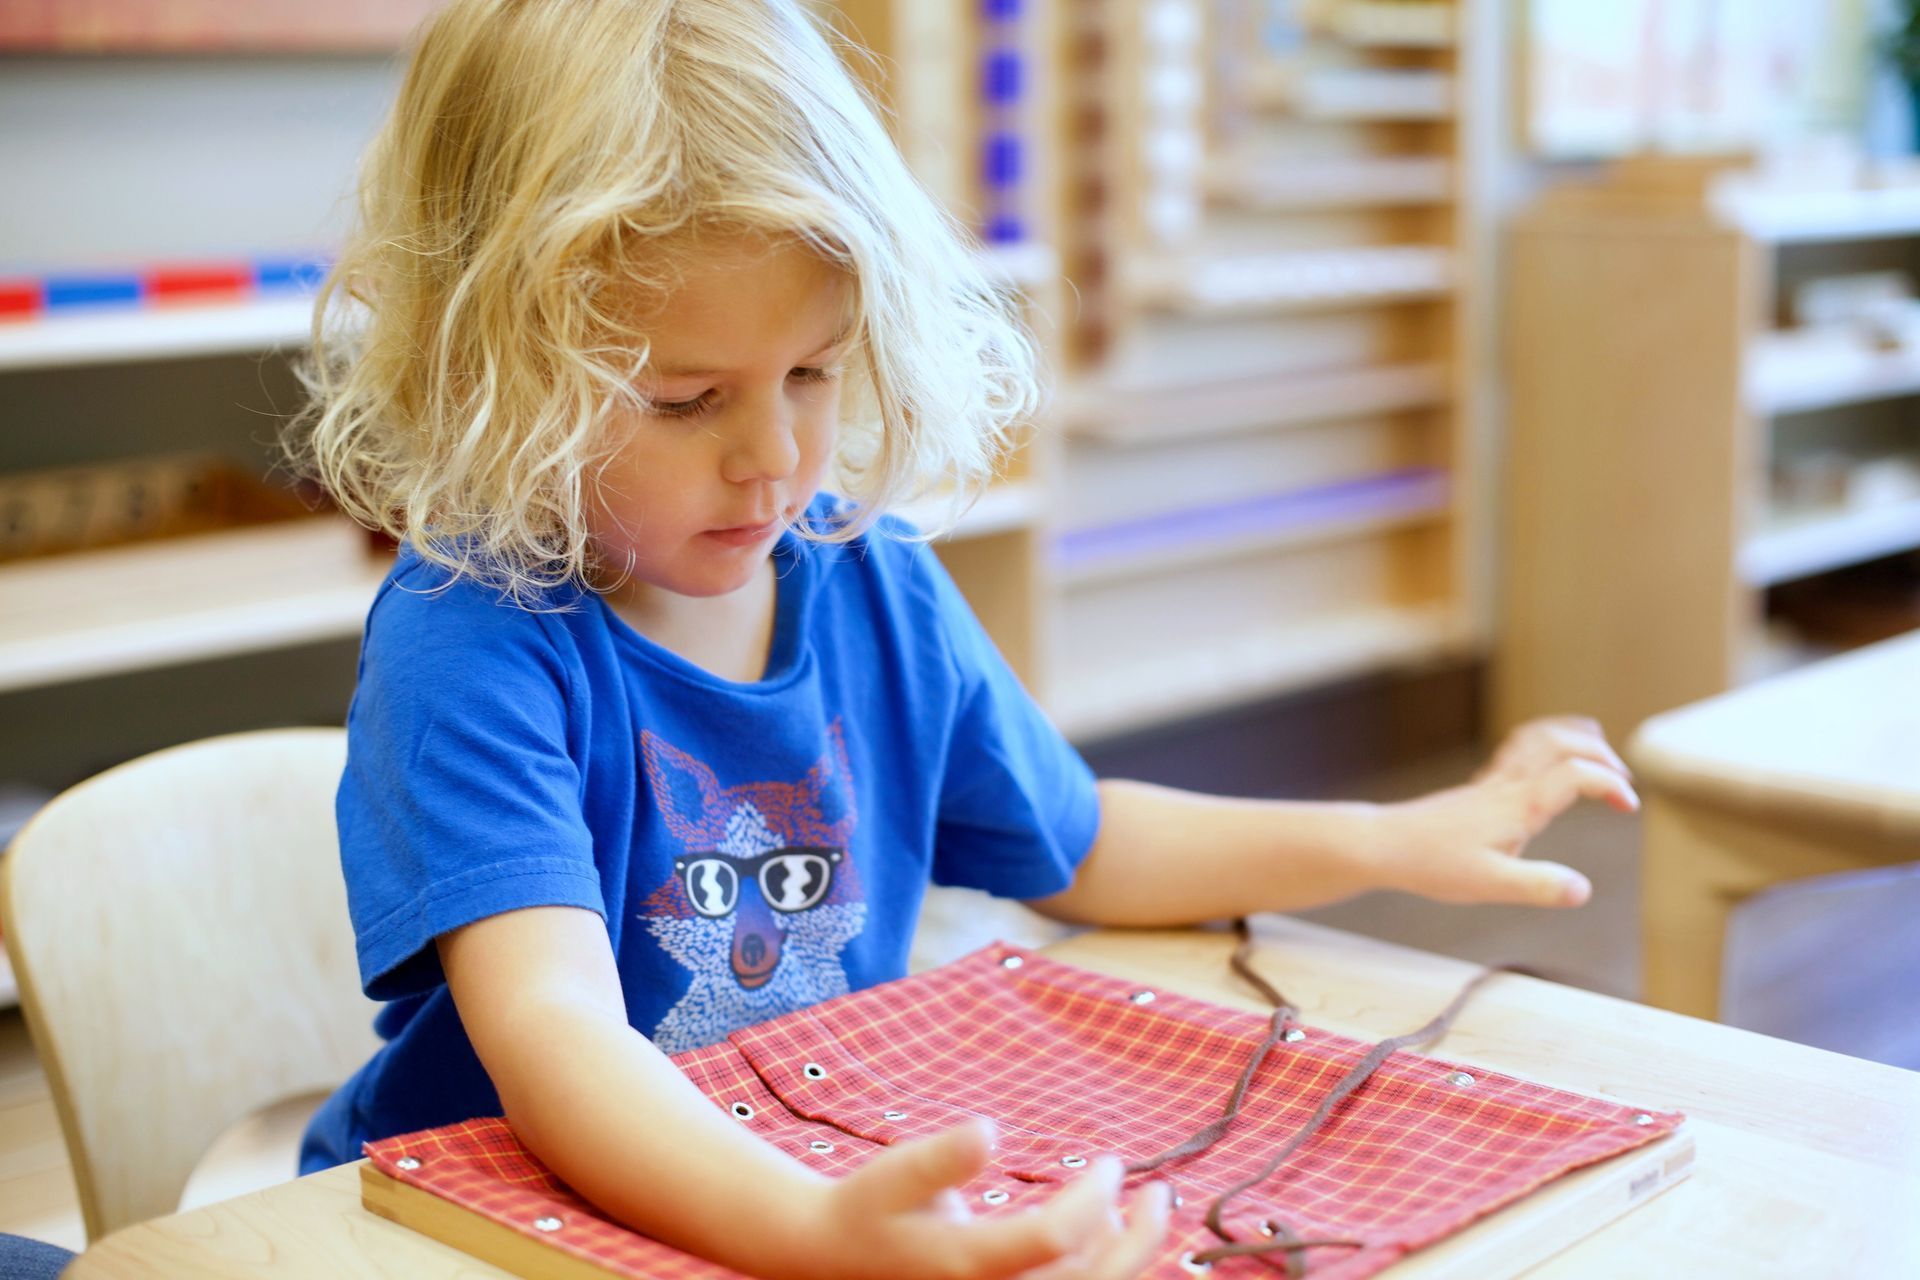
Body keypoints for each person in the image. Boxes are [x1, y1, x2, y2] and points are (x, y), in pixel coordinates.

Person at [286, 2, 1638, 1276]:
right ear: (491, 371)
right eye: (684, 399)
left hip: (804, 1178)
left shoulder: (869, 577)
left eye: (812, 371)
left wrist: (1388, 839)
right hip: (470, 1224)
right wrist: (812, 1234)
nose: (772, 457)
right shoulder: (475, 635)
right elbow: (559, 1034)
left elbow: (1086, 844)